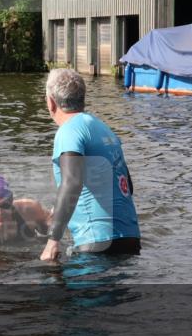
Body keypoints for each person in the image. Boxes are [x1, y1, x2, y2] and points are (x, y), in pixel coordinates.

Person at [39, 68, 141, 261]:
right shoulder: (104, 129)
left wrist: (53, 240)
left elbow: (72, 183)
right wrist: (57, 211)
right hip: (130, 240)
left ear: (51, 102)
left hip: (97, 243)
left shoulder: (68, 131)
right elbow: (127, 186)